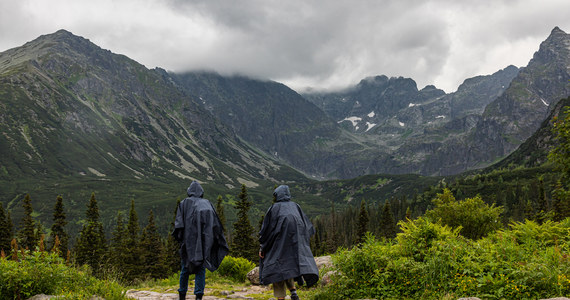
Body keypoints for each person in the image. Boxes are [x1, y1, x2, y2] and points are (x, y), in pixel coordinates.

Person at [259, 185, 319, 300]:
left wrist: (262, 247)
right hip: (294, 245)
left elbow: (266, 230)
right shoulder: (296, 206)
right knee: (289, 266)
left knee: (276, 269)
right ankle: (293, 292)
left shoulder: (274, 208)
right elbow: (306, 226)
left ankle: (281, 297)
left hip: (277, 246)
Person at [173, 181, 229, 300]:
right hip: (204, 243)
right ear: (201, 192)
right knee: (201, 269)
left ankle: (182, 295)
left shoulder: (184, 204)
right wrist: (214, 240)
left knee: (185, 268)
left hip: (187, 244)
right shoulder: (207, 204)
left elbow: (179, 225)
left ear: (189, 191)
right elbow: (215, 225)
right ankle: (199, 296)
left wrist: (180, 239)